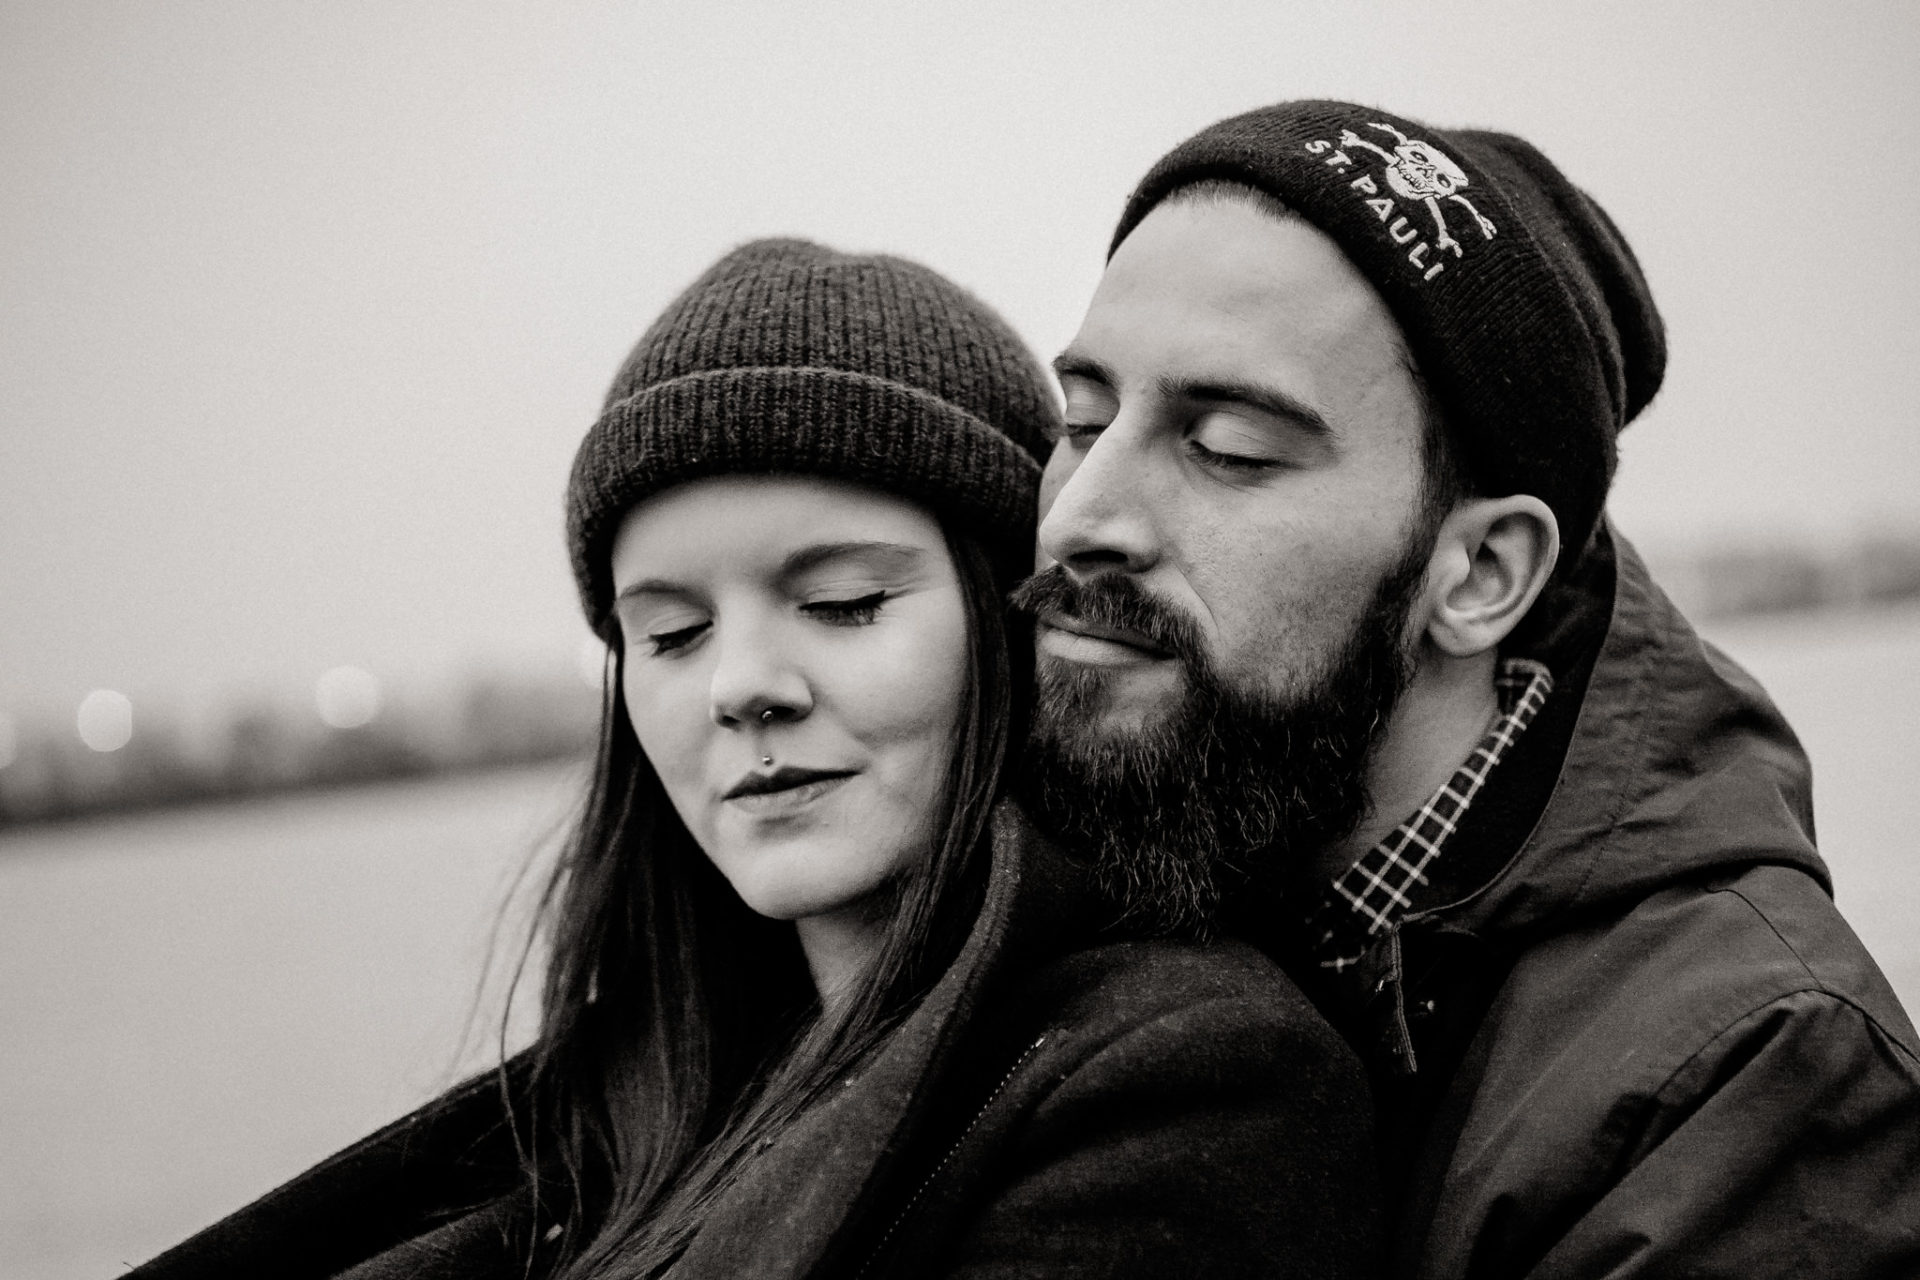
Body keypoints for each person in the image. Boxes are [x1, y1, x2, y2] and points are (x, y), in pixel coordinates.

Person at [128, 238, 1384, 1279]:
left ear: (1016, 621)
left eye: (841, 604)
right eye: (670, 633)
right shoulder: (627, 1107)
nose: (743, 688)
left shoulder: (1183, 1084)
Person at [1018, 99, 1920, 1278]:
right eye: (1084, 420)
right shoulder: (1109, 838)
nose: (1082, 517)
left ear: (1481, 573)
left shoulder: (1742, 1086)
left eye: (1228, 448)